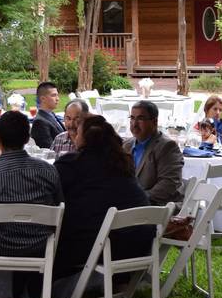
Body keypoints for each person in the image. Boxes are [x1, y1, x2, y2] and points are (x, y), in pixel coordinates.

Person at [0, 111, 63, 289]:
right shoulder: (48, 171)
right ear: (27, 138)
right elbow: (59, 207)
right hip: (40, 243)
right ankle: (35, 292)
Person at [53, 114, 152, 279]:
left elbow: (55, 201)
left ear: (84, 139)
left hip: (101, 248)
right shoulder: (122, 164)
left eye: (77, 133)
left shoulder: (70, 164)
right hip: (139, 247)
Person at [122, 100, 184, 205]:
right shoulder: (126, 145)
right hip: (130, 207)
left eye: (140, 118)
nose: (134, 124)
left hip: (158, 210)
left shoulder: (167, 147)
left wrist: (135, 201)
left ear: (154, 122)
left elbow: (168, 185)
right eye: (132, 118)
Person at [30, 81, 64, 149]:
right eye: (53, 95)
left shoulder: (52, 115)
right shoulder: (40, 122)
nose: (57, 99)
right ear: (43, 99)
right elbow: (49, 150)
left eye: (57, 95)